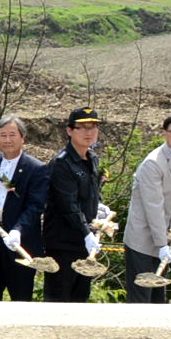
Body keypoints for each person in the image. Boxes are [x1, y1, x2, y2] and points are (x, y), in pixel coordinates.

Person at [0, 115, 48, 302]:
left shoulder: (36, 168)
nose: (7, 140)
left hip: (19, 242)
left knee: (20, 298)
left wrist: (18, 230)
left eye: (12, 135)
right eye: (2, 135)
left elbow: (36, 206)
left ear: (23, 137)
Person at [124, 114, 171, 303]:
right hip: (142, 241)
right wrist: (162, 244)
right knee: (142, 297)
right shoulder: (153, 163)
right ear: (165, 133)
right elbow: (153, 206)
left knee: (158, 298)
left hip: (162, 238)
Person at [43, 106, 104, 303]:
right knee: (59, 299)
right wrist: (86, 233)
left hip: (85, 243)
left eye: (93, 127)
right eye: (82, 127)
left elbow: (92, 193)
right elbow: (68, 204)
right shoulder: (62, 163)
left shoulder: (91, 158)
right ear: (70, 131)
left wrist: (100, 209)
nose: (89, 133)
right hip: (63, 243)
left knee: (80, 299)